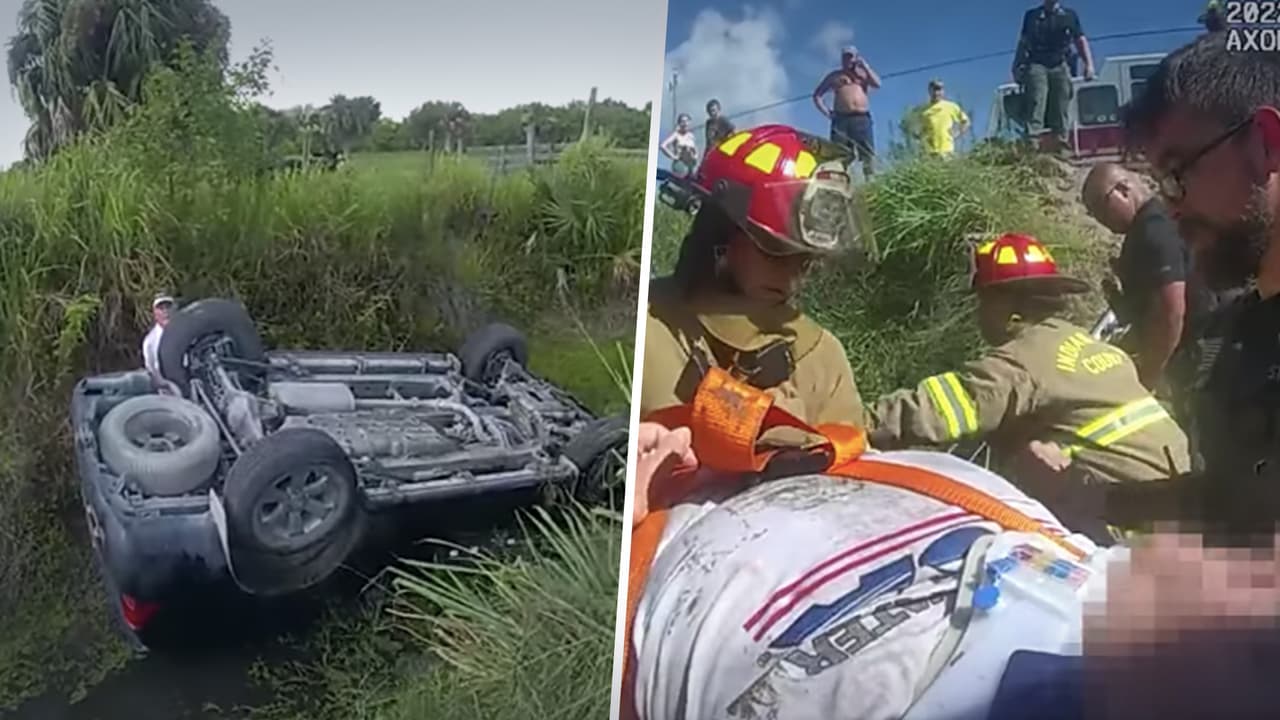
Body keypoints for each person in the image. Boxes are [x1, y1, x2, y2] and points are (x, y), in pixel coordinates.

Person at [864, 233, 1191, 540]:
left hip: (1132, 529)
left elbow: (946, 406)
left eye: (985, 302)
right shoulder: (1083, 342)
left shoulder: (1025, 358)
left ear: (1010, 307)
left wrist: (860, 423)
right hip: (1179, 494)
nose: (980, 314)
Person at [1120, 32, 1280, 495]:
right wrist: (1099, 501)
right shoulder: (1240, 332)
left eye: (1176, 174)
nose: (1171, 208)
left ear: (1266, 143)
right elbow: (1238, 501)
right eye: (1160, 183)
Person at [641, 123, 866, 447]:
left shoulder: (821, 356)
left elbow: (849, 457)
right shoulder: (649, 329)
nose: (792, 278)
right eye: (775, 252)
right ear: (720, 236)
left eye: (805, 261)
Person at [1082, 162, 1216, 397]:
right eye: (1093, 213)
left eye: (1100, 207)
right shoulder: (1157, 220)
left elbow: (1170, 310)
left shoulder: (1152, 231)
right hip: (1200, 346)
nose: (1099, 218)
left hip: (1200, 351)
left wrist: (1148, 377)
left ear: (1123, 190)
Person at [1012, 0, 1094, 155]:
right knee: (1036, 101)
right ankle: (1032, 147)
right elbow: (1023, 42)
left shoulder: (1069, 16)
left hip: (1060, 63)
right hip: (1037, 63)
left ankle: (1061, 148)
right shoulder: (1032, 16)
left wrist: (1088, 64)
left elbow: (1080, 40)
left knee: (1061, 104)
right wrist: (1016, 65)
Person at [813, 46, 881, 178]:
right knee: (839, 154)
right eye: (845, 57)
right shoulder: (834, 76)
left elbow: (878, 84)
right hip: (841, 120)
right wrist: (827, 112)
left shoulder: (863, 74)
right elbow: (817, 95)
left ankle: (871, 181)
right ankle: (839, 181)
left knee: (867, 153)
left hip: (861, 119)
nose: (848, 60)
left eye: (851, 57)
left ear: (856, 58)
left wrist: (865, 66)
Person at [915, 79, 970, 157]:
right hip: (929, 153)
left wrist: (957, 133)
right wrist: (920, 140)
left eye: (939, 90)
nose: (936, 93)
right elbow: (915, 128)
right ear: (929, 91)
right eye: (934, 90)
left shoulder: (951, 106)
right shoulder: (922, 111)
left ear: (943, 91)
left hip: (947, 151)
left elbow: (966, 122)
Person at [142, 294, 175, 381]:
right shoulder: (150, 342)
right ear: (155, 313)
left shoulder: (185, 332)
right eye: (161, 308)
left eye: (168, 307)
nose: (165, 312)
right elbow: (151, 372)